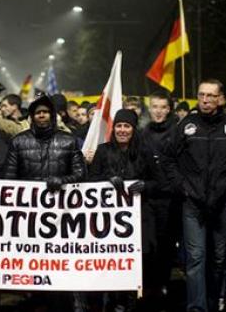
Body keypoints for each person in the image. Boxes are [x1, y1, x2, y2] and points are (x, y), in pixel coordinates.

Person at [163, 80, 226, 312]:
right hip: (192, 203)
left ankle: (213, 303)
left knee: (219, 258)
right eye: (201, 94)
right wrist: (182, 187)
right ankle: (196, 308)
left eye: (211, 95)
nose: (205, 99)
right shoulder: (186, 125)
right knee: (195, 258)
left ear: (220, 98)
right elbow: (168, 159)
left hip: (223, 203)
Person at [0, 93, 86, 312]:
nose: (42, 116)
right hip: (30, 216)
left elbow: (81, 174)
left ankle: (70, 301)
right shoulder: (19, 141)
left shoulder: (68, 141)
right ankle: (38, 300)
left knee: (62, 260)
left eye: (46, 112)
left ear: (52, 115)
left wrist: (62, 181)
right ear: (32, 116)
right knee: (34, 261)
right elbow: (9, 178)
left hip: (62, 215)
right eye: (38, 112)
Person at [87, 109, 152, 312]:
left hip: (137, 221)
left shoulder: (144, 153)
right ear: (113, 127)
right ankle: (109, 301)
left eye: (127, 126)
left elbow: (161, 183)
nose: (122, 130)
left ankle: (128, 302)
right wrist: (106, 181)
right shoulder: (103, 151)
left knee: (132, 264)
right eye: (119, 126)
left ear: (134, 129)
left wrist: (145, 185)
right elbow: (89, 181)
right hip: (107, 221)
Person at [140, 90, 179, 305]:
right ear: (150, 107)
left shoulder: (177, 132)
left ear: (169, 109)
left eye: (162, 107)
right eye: (155, 106)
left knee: (165, 245)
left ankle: (163, 285)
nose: (158, 111)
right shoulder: (143, 132)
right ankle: (148, 286)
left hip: (170, 199)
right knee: (148, 245)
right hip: (148, 197)